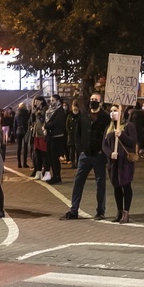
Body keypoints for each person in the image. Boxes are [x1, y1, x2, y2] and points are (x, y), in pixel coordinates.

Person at [60, 92, 110, 220]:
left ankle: (100, 211)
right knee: (78, 182)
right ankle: (74, 210)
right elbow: (77, 134)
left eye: (96, 100)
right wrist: (80, 150)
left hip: (99, 156)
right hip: (85, 155)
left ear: (101, 103)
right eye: (92, 99)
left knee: (100, 184)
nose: (93, 101)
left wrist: (102, 151)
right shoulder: (84, 115)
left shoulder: (105, 118)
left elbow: (108, 136)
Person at [102, 104, 138, 223]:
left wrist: (121, 135)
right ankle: (119, 211)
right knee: (116, 186)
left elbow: (133, 142)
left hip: (125, 162)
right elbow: (104, 145)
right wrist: (110, 153)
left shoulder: (128, 126)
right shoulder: (108, 128)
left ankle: (126, 213)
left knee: (126, 185)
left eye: (115, 110)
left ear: (121, 112)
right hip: (113, 162)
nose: (112, 113)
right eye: (111, 111)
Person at [44, 94, 66, 184]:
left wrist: (47, 126)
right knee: (50, 157)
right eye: (51, 100)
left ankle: (57, 176)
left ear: (58, 101)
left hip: (57, 136)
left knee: (54, 157)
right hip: (50, 136)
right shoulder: (50, 110)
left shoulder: (60, 111)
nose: (51, 102)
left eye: (53, 100)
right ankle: (54, 175)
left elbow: (57, 122)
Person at [14, 101, 30, 168]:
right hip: (25, 130)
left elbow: (14, 124)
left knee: (19, 147)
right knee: (25, 147)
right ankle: (24, 163)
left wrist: (14, 134)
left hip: (18, 130)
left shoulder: (16, 114)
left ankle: (19, 163)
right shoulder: (27, 113)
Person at [65, 101, 80, 168]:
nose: (75, 110)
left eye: (76, 109)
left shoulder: (81, 116)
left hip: (78, 136)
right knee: (72, 151)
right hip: (71, 136)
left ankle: (78, 163)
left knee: (78, 151)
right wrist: (69, 132)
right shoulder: (69, 115)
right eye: (74, 109)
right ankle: (73, 163)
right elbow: (67, 125)